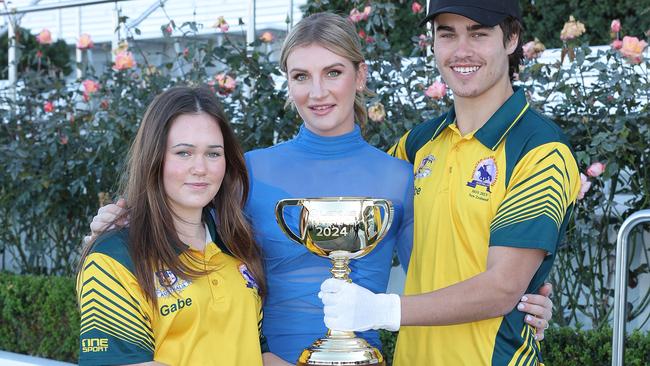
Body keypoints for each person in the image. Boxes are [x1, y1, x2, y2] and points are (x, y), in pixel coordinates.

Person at [86, 12, 554, 365]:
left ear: (360, 75)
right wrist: (120, 219)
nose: (318, 92)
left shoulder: (398, 172)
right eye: (301, 76)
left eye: (333, 72)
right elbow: (181, 223)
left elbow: (436, 273)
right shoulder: (246, 172)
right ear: (287, 84)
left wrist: (525, 297)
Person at [319, 1, 580, 365]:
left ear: (511, 38)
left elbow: (502, 288)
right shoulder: (416, 145)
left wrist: (383, 310)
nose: (461, 51)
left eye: (478, 33)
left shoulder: (540, 150)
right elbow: (341, 214)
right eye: (448, 34)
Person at [76, 86, 270, 365]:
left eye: (213, 153)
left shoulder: (236, 244)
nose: (200, 167)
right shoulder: (114, 258)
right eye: (183, 153)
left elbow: (256, 352)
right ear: (154, 158)